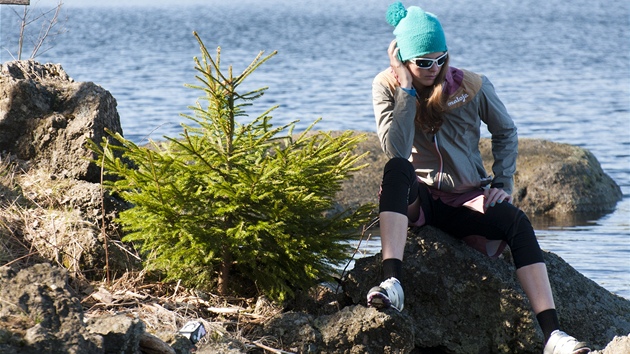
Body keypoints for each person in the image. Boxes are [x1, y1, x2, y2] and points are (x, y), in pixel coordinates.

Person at [366, 2, 591, 354]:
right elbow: (395, 148)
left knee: (517, 222)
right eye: (424, 62)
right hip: (419, 199)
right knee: (397, 169)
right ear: (404, 60)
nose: (434, 68)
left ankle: (553, 336)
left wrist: (503, 184)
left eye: (441, 58)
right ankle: (393, 282)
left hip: (466, 198)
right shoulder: (387, 85)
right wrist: (407, 91)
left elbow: (506, 131)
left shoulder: (472, 85)